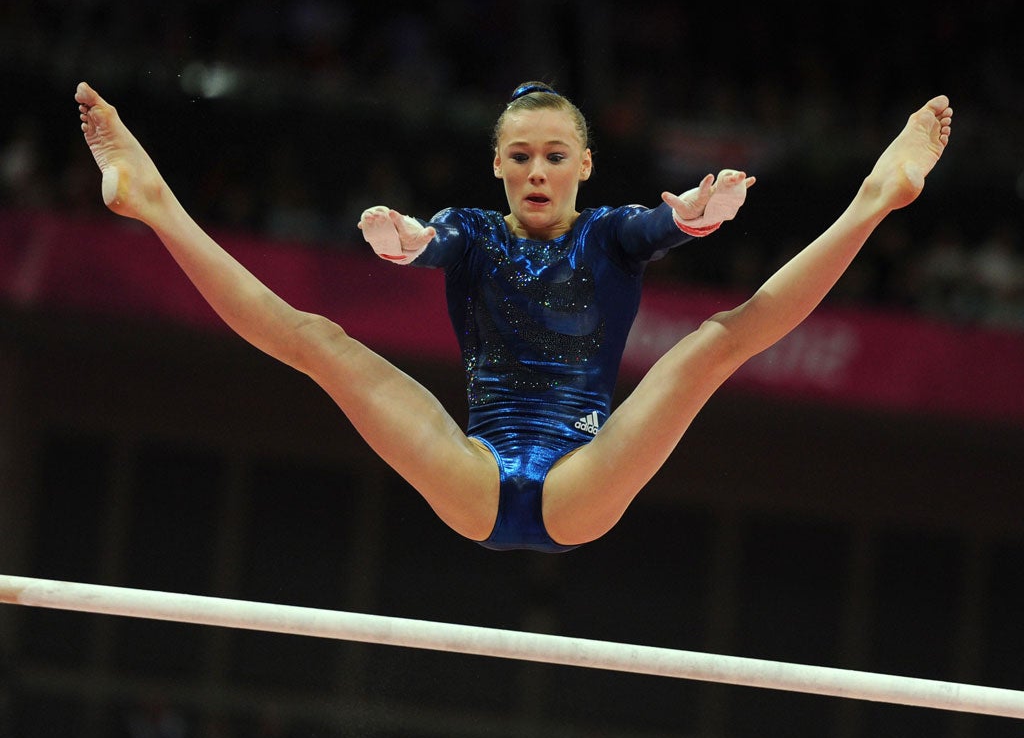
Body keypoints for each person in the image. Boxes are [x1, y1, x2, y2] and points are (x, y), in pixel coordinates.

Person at [75, 80, 953, 553]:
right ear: (497, 165)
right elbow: (434, 248)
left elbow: (661, 224)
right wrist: (406, 244)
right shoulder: (473, 232)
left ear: (585, 164)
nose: (538, 171)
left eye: (556, 156)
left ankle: (875, 200)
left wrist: (696, 214)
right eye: (522, 156)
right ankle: (154, 202)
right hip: (476, 473)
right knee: (318, 342)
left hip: (583, 483)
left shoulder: (612, 234)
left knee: (712, 344)